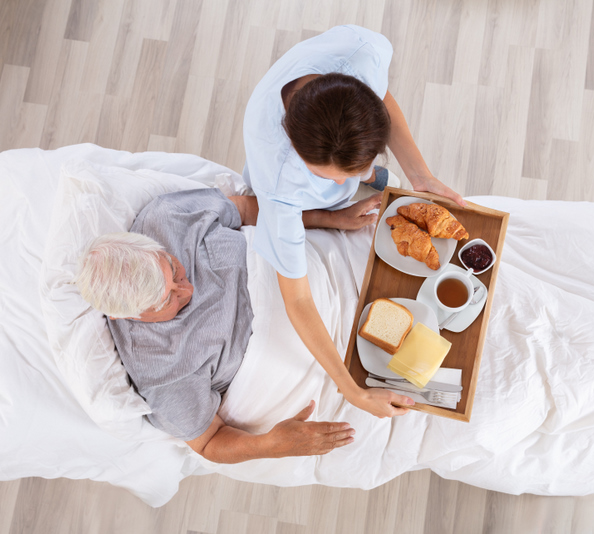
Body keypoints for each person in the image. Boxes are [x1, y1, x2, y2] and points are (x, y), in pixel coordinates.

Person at [76, 188, 411, 463]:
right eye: (167, 301)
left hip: (310, 269)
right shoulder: (162, 372)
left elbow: (246, 210)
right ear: (127, 317)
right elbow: (208, 442)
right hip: (309, 356)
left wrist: (333, 219)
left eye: (175, 270)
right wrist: (270, 446)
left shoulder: (166, 217)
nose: (187, 290)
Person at [242, 25, 463, 418]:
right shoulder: (281, 181)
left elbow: (380, 97)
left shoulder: (364, 52)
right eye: (336, 176)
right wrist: (351, 390)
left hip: (334, 135)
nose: (353, 182)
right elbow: (298, 299)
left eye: (361, 167)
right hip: (282, 183)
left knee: (359, 177)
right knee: (341, 184)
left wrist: (421, 176)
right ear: (296, 149)